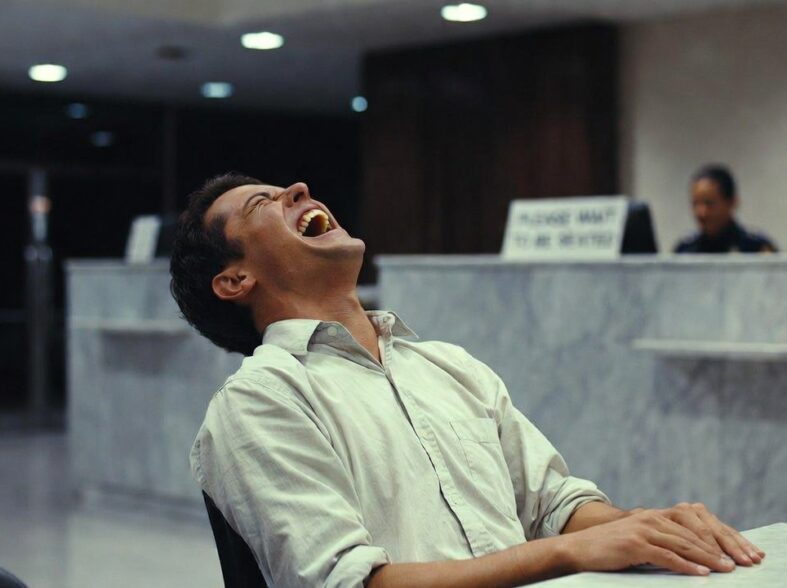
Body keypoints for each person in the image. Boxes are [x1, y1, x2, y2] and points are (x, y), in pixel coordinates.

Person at [170, 172, 765, 588]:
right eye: (263, 204)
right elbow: (352, 584)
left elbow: (555, 505)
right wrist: (564, 554)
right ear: (234, 280)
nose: (298, 190)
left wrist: (648, 526)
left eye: (286, 189)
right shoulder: (259, 402)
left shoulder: (447, 364)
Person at [674, 164, 777, 253]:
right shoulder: (685, 250)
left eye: (709, 204)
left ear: (732, 202)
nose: (702, 213)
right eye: (696, 204)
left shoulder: (755, 248)